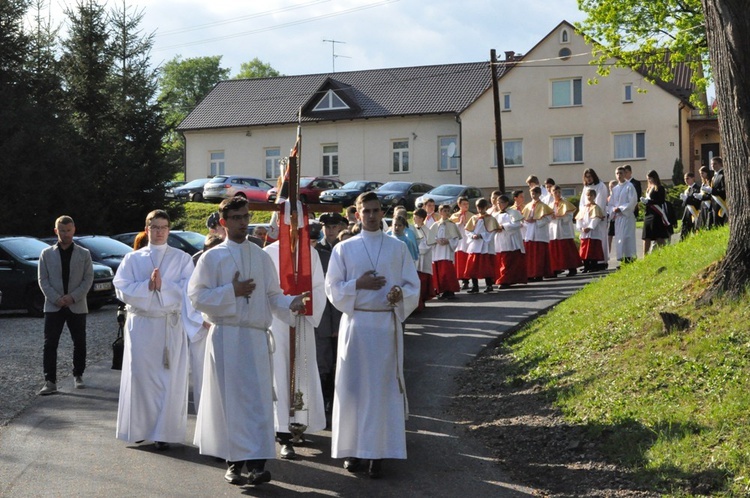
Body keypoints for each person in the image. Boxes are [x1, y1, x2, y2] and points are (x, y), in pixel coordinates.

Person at [188, 196, 309, 486]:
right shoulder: (212, 257)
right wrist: (232, 291)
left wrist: (291, 303)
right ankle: (233, 463)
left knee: (257, 402)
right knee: (230, 401)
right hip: (227, 336)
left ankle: (257, 465)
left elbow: (272, 295)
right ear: (223, 222)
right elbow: (196, 298)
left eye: (245, 216)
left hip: (255, 338)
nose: (243, 222)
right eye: (236, 218)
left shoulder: (261, 256)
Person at [325, 191, 420, 479]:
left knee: (381, 391)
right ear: (357, 213)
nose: (371, 215)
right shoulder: (344, 248)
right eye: (365, 211)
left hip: (385, 326)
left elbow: (412, 284)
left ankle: (379, 452)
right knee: (353, 389)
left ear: (383, 213)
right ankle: (353, 450)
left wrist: (399, 293)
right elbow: (332, 288)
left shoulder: (397, 248)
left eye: (376, 210)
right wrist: (359, 284)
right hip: (356, 325)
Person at [113, 210, 194, 450]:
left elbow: (190, 290)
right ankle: (140, 428)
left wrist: (164, 286)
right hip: (142, 326)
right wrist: (147, 286)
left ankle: (163, 432)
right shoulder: (133, 259)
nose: (159, 232)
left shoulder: (182, 258)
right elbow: (121, 287)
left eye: (164, 227)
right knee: (141, 378)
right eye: (154, 227)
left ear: (169, 229)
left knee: (168, 380)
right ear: (146, 229)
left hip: (169, 325)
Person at [264, 230, 326, 461]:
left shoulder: (310, 253)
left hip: (302, 321)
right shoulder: (268, 253)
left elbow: (320, 287)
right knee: (280, 374)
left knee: (302, 373)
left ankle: (300, 424)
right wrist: (285, 306)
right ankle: (282, 433)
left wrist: (306, 306)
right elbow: (266, 290)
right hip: (277, 323)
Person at [37, 215, 94, 395]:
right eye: (62, 230)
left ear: (74, 229)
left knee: (79, 342)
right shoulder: (46, 254)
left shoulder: (84, 254)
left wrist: (73, 297)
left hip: (76, 305)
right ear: (56, 231)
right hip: (54, 306)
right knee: (50, 344)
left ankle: (78, 375)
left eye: (68, 230)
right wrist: (56, 298)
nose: (66, 234)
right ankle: (50, 381)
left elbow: (88, 279)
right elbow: (42, 280)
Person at [185, 233, 224, 413]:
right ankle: (203, 413)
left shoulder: (227, 271)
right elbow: (189, 301)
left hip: (223, 329)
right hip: (202, 331)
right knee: (202, 375)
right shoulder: (195, 273)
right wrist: (203, 321)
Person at [464, 198, 499, 293]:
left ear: (486, 207)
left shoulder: (490, 218)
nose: (480, 209)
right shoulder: (474, 218)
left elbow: (493, 232)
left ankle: (489, 285)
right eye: (478, 207)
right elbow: (467, 230)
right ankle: (475, 286)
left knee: (486, 267)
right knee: (473, 267)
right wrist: (472, 235)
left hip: (485, 246)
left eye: (482, 207)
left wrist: (482, 236)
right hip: (475, 245)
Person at [492, 195, 527, 288]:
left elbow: (517, 224)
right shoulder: (495, 214)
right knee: (501, 260)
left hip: (511, 240)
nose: (499, 205)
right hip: (500, 239)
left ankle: (505, 280)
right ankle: (502, 278)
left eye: (501, 203)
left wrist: (503, 226)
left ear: (506, 203)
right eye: (498, 203)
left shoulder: (513, 212)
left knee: (508, 261)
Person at [579, 168, 610, 269]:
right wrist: (583, 217)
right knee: (588, 240)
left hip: (598, 217)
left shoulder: (601, 186)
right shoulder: (585, 187)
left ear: (594, 176)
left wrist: (595, 218)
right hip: (586, 216)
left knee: (599, 239)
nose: (588, 179)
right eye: (586, 177)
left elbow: (600, 203)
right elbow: (582, 204)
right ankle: (589, 262)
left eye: (590, 176)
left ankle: (601, 262)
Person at [522, 186, 554, 281]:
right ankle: (531, 273)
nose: (533, 195)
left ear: (539, 194)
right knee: (531, 256)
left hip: (540, 233)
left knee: (539, 255)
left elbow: (548, 218)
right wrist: (527, 221)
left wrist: (536, 221)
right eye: (532, 193)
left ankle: (539, 273)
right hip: (530, 232)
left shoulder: (544, 206)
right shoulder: (528, 206)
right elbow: (524, 219)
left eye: (535, 193)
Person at [548, 185, 582, 276]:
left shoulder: (565, 203)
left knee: (567, 250)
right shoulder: (550, 205)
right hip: (554, 229)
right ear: (552, 193)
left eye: (559, 192)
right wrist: (552, 218)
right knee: (554, 251)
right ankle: (555, 269)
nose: (557, 194)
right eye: (555, 192)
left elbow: (570, 216)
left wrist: (560, 217)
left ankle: (572, 268)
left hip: (563, 229)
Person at [608, 166, 638, 264]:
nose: (619, 175)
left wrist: (621, 208)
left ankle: (630, 258)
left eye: (621, 173)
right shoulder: (615, 189)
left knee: (627, 237)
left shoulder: (629, 186)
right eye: (617, 173)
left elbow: (632, 201)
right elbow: (611, 203)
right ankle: (622, 259)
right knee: (619, 238)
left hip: (627, 216)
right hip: (618, 218)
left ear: (625, 174)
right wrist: (613, 210)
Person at [431, 204, 461, 299]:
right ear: (440, 212)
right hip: (437, 252)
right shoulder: (435, 225)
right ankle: (441, 290)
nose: (447, 213)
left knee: (446, 272)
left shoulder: (452, 225)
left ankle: (450, 290)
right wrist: (437, 240)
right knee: (439, 272)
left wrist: (448, 241)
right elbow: (430, 238)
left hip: (447, 252)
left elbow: (456, 239)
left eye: (448, 211)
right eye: (444, 211)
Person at [640, 169, 671, 254]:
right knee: (646, 237)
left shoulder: (660, 188)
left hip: (656, 214)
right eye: (648, 178)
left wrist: (649, 201)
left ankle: (666, 253)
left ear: (655, 178)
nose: (649, 180)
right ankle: (645, 256)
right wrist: (645, 202)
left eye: (651, 178)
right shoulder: (648, 189)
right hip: (648, 214)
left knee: (659, 237)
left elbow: (660, 200)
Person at [576, 189, 607, 273]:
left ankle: (593, 266)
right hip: (584, 233)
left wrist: (590, 227)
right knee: (584, 251)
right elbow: (579, 219)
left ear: (594, 196)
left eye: (591, 195)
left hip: (593, 232)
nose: (589, 197)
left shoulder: (596, 207)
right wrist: (581, 228)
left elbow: (596, 219)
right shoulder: (583, 208)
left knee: (593, 250)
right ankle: (586, 266)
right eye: (588, 195)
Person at [412, 208, 437, 311]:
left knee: (423, 279)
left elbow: (429, 244)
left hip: (424, 258)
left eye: (416, 217)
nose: (414, 219)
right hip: (415, 259)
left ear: (422, 219)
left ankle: (423, 299)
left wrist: (418, 249)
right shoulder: (412, 229)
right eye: (414, 217)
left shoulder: (427, 230)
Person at [449, 196, 471, 290]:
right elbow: (451, 227)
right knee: (459, 261)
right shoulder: (454, 216)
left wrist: (466, 224)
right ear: (459, 205)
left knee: (467, 261)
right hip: (459, 241)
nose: (466, 206)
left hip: (468, 240)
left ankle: (467, 279)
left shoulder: (471, 216)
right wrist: (459, 223)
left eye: (467, 204)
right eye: (464, 204)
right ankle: (461, 279)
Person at [680, 172, 702, 239]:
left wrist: (687, 199)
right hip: (686, 213)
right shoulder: (686, 190)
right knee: (684, 232)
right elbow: (684, 204)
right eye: (684, 179)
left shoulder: (697, 188)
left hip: (694, 213)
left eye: (687, 178)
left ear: (693, 178)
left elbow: (697, 202)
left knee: (694, 231)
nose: (686, 180)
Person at [709, 156, 727, 227]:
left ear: (720, 164)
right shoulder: (714, 176)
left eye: (715, 164)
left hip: (721, 202)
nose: (713, 166)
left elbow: (724, 190)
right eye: (711, 164)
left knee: (720, 223)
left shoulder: (723, 175)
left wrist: (712, 190)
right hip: (714, 203)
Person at [695, 165, 715, 230]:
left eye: (702, 173)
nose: (701, 175)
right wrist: (699, 196)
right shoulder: (703, 182)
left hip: (709, 203)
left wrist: (703, 196)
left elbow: (711, 194)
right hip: (703, 204)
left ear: (707, 172)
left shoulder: (711, 181)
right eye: (700, 174)